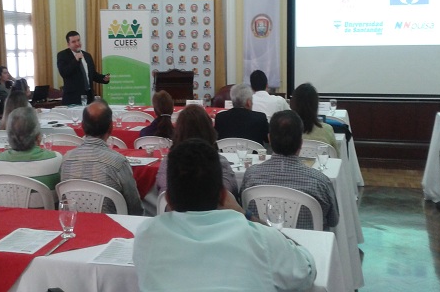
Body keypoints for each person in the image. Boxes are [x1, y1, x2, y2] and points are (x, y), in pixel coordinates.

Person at [133, 139, 316, 291]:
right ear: (223, 195)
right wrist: (244, 213)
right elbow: (307, 272)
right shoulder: (260, 239)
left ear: (168, 200)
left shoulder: (146, 236)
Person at [241, 110, 339, 230]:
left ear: (269, 139)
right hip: (306, 241)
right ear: (301, 142)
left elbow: (243, 212)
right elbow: (333, 221)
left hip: (263, 239)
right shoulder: (320, 182)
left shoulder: (250, 176)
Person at [60, 100, 143, 215]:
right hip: (112, 223)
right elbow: (134, 206)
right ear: (111, 127)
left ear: (82, 126)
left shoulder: (66, 159)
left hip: (75, 222)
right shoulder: (118, 163)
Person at [156, 105, 238, 199]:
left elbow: (162, 192)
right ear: (209, 130)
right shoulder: (220, 163)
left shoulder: (168, 164)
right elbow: (231, 192)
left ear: (178, 131)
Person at [0, 107, 62, 206]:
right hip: (47, 215)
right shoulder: (55, 159)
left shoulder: (0, 161)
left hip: (10, 214)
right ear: (38, 136)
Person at [57, 31, 110, 105]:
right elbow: (64, 72)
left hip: (89, 97)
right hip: (73, 98)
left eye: (78, 40)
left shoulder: (87, 55)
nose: (77, 43)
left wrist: (103, 78)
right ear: (68, 44)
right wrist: (75, 60)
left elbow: (92, 74)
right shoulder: (63, 55)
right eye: (73, 42)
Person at [290, 82, 340, 157]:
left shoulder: (287, 130)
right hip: (321, 164)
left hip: (292, 165)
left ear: (293, 104)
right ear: (316, 105)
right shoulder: (327, 130)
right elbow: (337, 157)